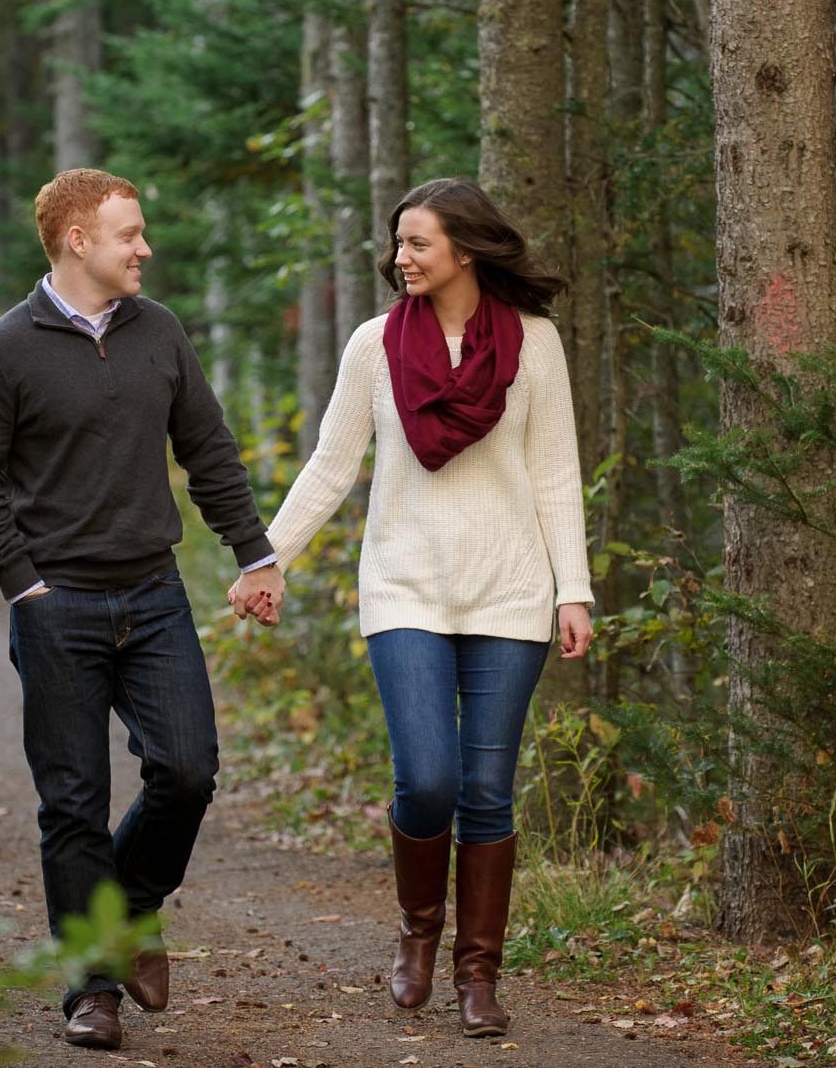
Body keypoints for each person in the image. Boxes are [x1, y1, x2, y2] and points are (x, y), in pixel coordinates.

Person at [0, 168, 283, 1053]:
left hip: (154, 594)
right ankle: (91, 989)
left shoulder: (158, 330)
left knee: (188, 768)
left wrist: (255, 552)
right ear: (77, 241)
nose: (145, 248)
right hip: (56, 604)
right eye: (129, 234)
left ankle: (127, 908)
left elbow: (208, 449)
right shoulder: (3, 349)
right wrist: (23, 583)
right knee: (73, 802)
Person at [252, 177, 594, 1038]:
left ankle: (478, 974)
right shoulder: (374, 345)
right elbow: (332, 464)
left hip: (510, 590)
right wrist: (268, 557)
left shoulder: (535, 343)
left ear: (464, 251)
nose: (399, 257)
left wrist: (573, 588)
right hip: (404, 587)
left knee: (488, 790)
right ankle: (418, 928)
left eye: (417, 243)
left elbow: (556, 471)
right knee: (429, 779)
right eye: (398, 242)